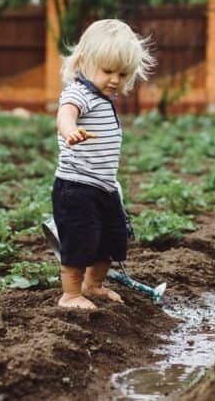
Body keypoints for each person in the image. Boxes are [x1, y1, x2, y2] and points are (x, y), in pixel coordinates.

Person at [52, 19, 155, 309]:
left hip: (105, 186)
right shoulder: (79, 92)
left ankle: (93, 285)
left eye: (122, 74)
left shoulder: (103, 98)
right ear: (84, 62)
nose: (114, 79)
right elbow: (65, 114)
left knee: (111, 239)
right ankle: (70, 294)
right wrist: (69, 130)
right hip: (76, 186)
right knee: (79, 240)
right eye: (107, 71)